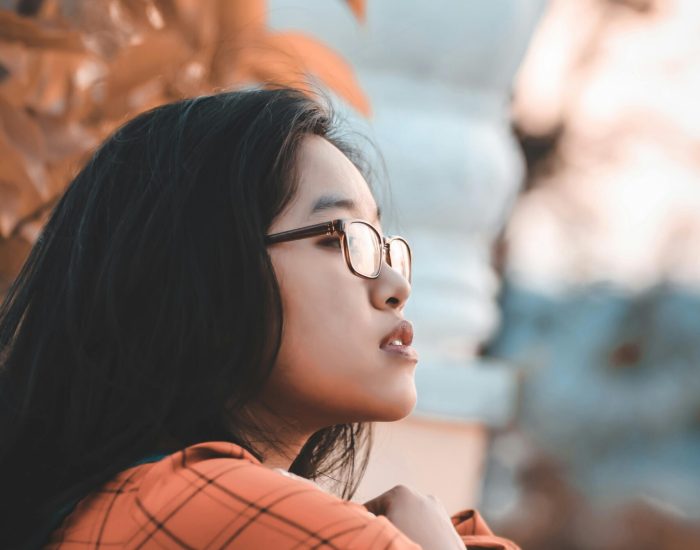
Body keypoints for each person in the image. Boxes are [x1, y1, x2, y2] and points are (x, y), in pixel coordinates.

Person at [0, 88, 518, 549]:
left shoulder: (139, 503)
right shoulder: (214, 508)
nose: (395, 287)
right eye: (344, 239)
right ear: (205, 272)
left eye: (383, 245)